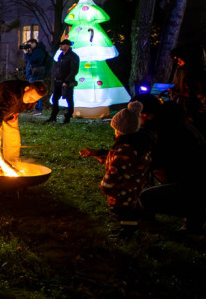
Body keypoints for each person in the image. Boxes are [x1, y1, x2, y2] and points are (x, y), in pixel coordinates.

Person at [135, 95, 206, 231]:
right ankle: (194, 221)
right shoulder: (175, 123)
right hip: (195, 183)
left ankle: (191, 222)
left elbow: (159, 165)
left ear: (147, 115)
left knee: (143, 197)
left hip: (195, 188)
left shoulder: (166, 134)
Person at [79, 100, 151, 224]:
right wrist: (97, 154)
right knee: (128, 211)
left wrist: (106, 186)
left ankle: (128, 232)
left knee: (124, 212)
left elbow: (116, 168)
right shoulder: (134, 145)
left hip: (122, 191)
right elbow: (117, 160)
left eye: (115, 129)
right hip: (132, 188)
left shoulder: (125, 149)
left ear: (121, 130)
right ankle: (128, 228)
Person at [0, 80, 48, 162]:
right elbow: (0, 111)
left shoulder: (25, 97)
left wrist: (15, 113)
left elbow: (21, 104)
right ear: (27, 89)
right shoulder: (11, 93)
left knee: (12, 134)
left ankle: (12, 161)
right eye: (31, 97)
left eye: (35, 99)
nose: (31, 100)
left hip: (8, 109)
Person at [169, 43, 205, 133]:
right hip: (185, 114)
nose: (177, 61)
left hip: (196, 117)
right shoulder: (182, 72)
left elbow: (199, 96)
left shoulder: (200, 76)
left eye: (179, 58)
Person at [46, 39, 79, 124]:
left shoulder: (73, 56)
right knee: (55, 98)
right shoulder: (61, 55)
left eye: (62, 45)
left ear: (67, 46)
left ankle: (68, 117)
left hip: (66, 82)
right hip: (58, 80)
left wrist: (67, 81)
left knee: (69, 99)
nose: (60, 46)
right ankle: (53, 117)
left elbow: (74, 70)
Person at [22, 38, 49, 113]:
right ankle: (34, 108)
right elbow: (28, 62)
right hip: (33, 74)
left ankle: (38, 109)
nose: (29, 46)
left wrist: (26, 54)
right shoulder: (34, 51)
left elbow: (31, 60)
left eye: (30, 44)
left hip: (37, 74)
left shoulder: (39, 51)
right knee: (32, 92)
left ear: (35, 43)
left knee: (37, 92)